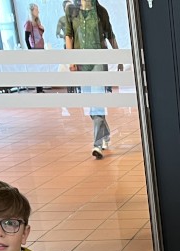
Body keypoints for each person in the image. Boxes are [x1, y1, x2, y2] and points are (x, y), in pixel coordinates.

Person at [64, 0, 122, 159]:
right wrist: (71, 60)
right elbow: (69, 36)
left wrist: (119, 57)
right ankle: (105, 134)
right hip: (82, 63)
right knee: (92, 104)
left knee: (97, 103)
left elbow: (110, 35)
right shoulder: (72, 12)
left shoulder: (101, 11)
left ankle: (97, 144)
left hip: (98, 61)